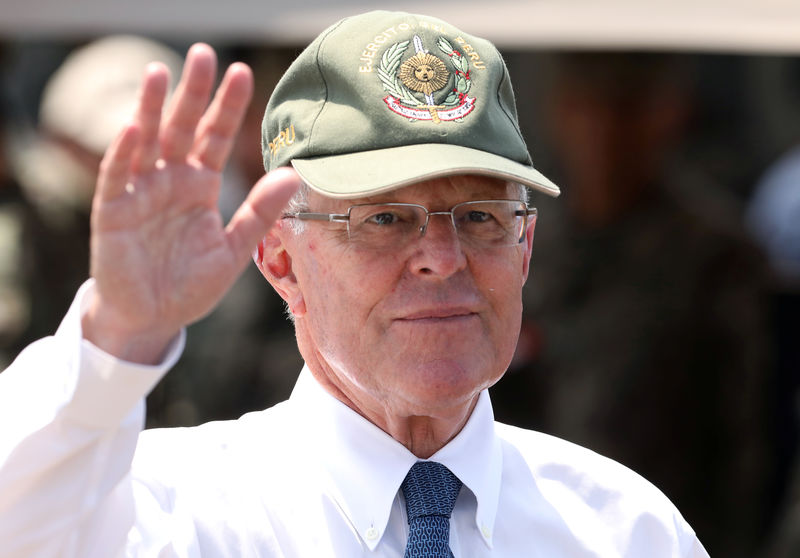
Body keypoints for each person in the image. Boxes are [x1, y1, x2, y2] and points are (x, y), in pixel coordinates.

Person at [0, 11, 709, 557]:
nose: (443, 255)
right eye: (387, 218)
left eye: (481, 217)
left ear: (525, 249)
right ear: (280, 259)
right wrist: (122, 333)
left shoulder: (623, 529)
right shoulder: (170, 511)